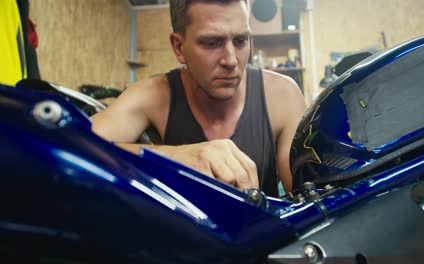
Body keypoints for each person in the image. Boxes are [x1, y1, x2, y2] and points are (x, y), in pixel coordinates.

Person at [91, 0, 306, 197]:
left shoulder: (282, 95)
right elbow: (69, 140)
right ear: (179, 48)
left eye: (240, 40)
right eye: (212, 42)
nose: (231, 60)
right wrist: (177, 156)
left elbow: (307, 201)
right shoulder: (154, 95)